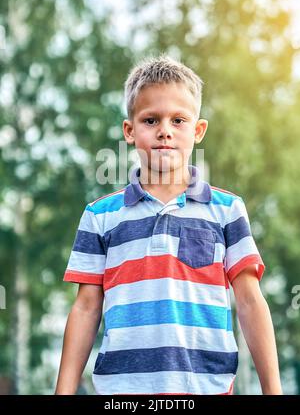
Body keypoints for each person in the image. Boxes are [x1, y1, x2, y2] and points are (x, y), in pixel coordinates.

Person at [55, 55, 282, 395]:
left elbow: (250, 301)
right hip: (122, 393)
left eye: (178, 120)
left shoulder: (227, 210)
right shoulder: (99, 216)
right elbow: (86, 307)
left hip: (207, 387)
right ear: (129, 131)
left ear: (198, 130)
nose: (164, 130)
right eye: (151, 120)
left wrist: (273, 390)